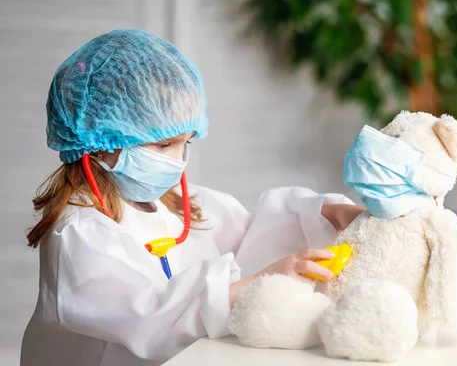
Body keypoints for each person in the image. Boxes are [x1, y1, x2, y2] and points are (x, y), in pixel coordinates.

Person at [20, 29, 365, 366]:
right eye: (162, 144)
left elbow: (251, 237)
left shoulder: (180, 204)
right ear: (98, 142)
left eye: (187, 142)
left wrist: (328, 213)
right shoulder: (80, 232)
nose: (179, 159)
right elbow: (144, 317)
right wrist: (250, 286)